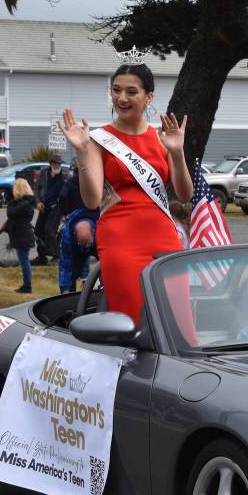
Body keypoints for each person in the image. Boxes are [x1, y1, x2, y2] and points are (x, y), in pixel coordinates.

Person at [59, 61, 193, 325]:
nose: (122, 98)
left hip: (163, 236)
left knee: (178, 318)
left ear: (148, 97)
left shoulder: (162, 138)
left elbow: (184, 193)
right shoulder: (98, 139)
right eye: (116, 90)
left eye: (131, 91)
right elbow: (92, 199)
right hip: (120, 239)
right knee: (131, 318)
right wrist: (81, 151)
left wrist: (177, 153)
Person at [57, 163, 99, 294]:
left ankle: (69, 290)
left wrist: (66, 212)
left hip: (79, 219)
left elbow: (62, 198)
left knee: (71, 268)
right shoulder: (97, 180)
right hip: (92, 218)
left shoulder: (70, 183)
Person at [31, 154, 67, 266]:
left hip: (57, 207)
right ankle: (42, 257)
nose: (57, 165)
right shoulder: (43, 173)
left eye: (59, 163)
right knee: (38, 231)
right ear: (51, 163)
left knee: (49, 230)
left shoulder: (65, 175)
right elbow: (37, 188)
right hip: (44, 206)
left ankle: (57, 255)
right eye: (55, 163)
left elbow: (68, 190)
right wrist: (38, 202)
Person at [6, 178, 37, 294]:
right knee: (23, 259)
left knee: (24, 260)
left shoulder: (24, 204)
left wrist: (12, 203)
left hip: (22, 234)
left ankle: (27, 285)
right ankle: (26, 284)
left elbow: (11, 212)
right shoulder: (27, 202)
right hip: (22, 233)